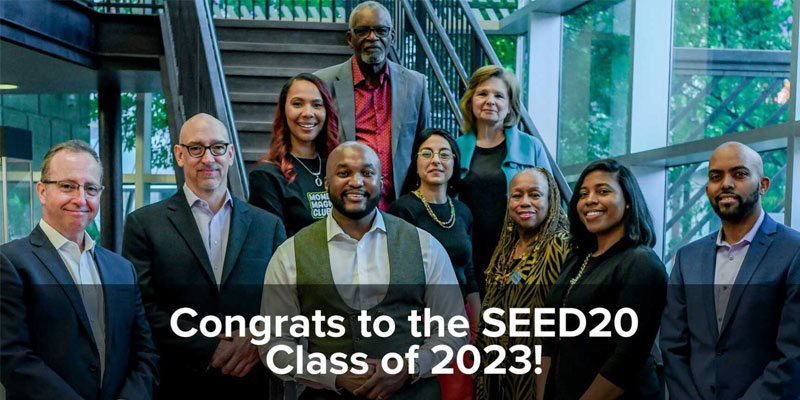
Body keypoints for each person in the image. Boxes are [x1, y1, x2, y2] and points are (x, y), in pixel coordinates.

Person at [260, 142, 467, 400]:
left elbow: (455, 330)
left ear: (380, 182)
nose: (356, 182)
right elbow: (273, 344)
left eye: (367, 173)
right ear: (326, 183)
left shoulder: (424, 246)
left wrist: (409, 366)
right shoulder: (290, 254)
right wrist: (332, 374)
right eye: (344, 173)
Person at [122, 113, 286, 398]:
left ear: (231, 154)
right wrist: (209, 347)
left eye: (218, 147)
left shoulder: (268, 226)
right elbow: (141, 307)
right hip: (178, 383)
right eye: (196, 148)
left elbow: (285, 302)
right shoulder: (144, 224)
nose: (208, 159)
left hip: (251, 383)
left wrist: (260, 338)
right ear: (179, 155)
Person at [1, 140, 159, 399]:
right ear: (42, 191)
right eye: (67, 186)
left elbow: (144, 352)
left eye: (91, 188)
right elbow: (12, 357)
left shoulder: (122, 269)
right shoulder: (10, 262)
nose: (80, 199)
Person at [661, 142, 800, 400]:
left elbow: (793, 354)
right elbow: (672, 345)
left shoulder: (794, 251)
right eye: (716, 176)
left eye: (740, 174)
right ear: (707, 189)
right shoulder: (687, 258)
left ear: (763, 185)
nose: (726, 184)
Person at [536, 159, 667, 400]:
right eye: (583, 194)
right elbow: (549, 340)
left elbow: (626, 359)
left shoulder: (641, 263)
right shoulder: (578, 258)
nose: (590, 200)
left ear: (628, 201)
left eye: (603, 191)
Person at [387, 128, 478, 400]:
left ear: (455, 164)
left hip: (461, 317)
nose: (436, 160)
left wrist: (479, 325)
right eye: (427, 153)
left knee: (461, 393)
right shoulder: (402, 210)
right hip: (421, 320)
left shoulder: (463, 212)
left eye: (444, 154)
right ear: (415, 162)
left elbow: (469, 271)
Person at [314, 1, 430, 210]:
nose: (372, 37)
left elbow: (423, 145)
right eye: (363, 31)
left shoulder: (415, 85)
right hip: (346, 204)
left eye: (380, 30)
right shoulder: (323, 83)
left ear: (392, 36)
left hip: (400, 206)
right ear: (350, 39)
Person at [457, 65, 552, 298]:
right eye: (483, 93)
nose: (490, 101)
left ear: (510, 106)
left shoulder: (531, 147)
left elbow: (552, 205)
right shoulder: (453, 149)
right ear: (471, 101)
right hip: (468, 257)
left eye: (499, 96)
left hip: (520, 256)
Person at [474, 168, 570, 400]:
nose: (525, 202)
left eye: (535, 195)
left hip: (536, 373)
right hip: (496, 370)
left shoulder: (561, 245)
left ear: (551, 199)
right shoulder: (506, 246)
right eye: (517, 196)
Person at [249, 73, 340, 236]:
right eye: (297, 104)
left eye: (317, 105)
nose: (308, 113)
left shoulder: (337, 168)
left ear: (327, 111)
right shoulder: (266, 176)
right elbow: (271, 241)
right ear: (284, 111)